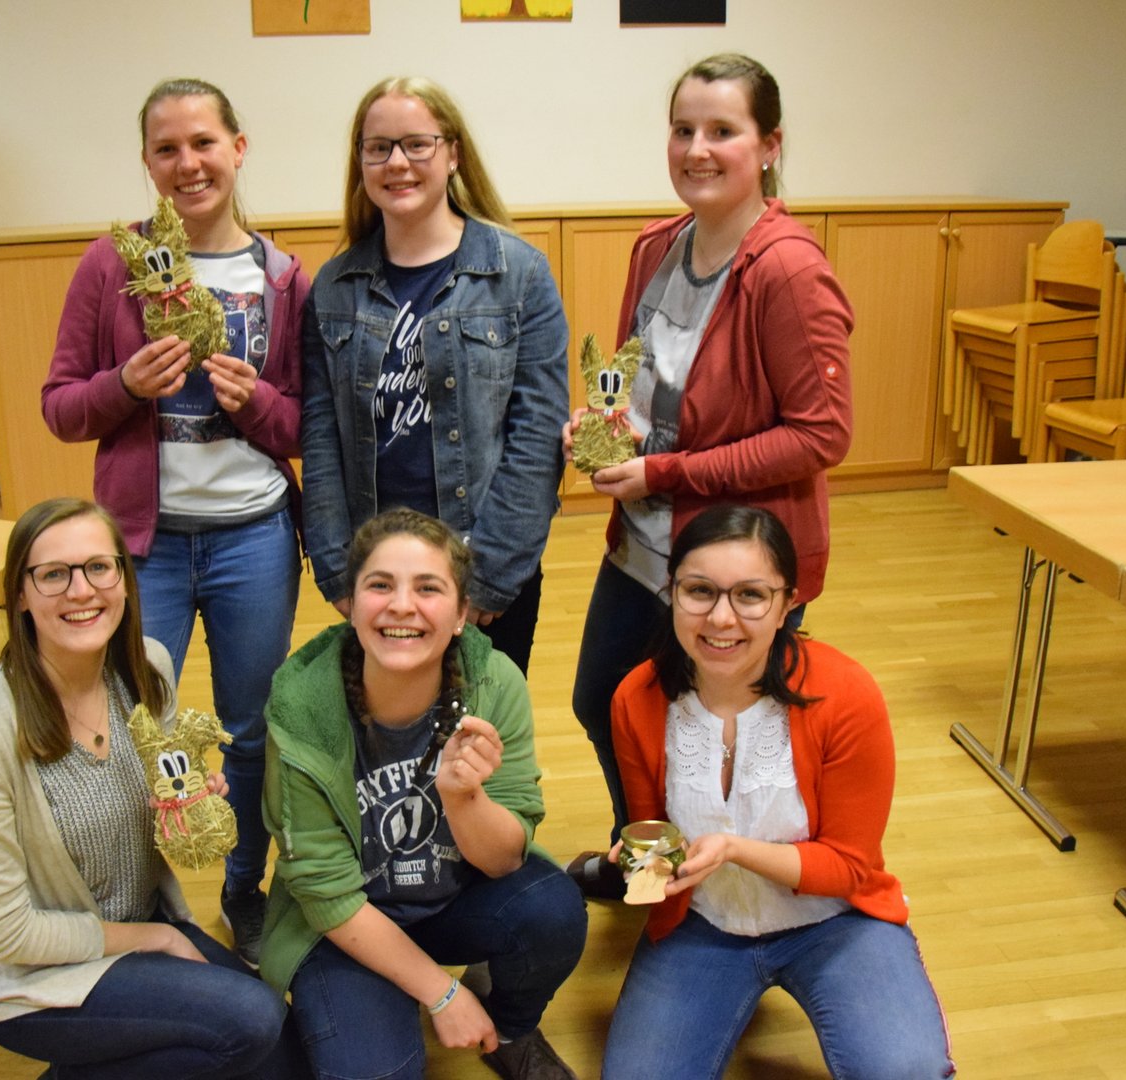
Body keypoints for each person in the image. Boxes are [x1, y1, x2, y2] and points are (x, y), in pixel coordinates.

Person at [566, 54, 854, 882]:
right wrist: (602, 428)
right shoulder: (657, 246)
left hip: (737, 562)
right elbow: (642, 386)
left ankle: (719, 886)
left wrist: (666, 474)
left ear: (769, 145)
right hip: (644, 547)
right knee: (606, 703)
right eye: (683, 129)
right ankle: (651, 862)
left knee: (715, 736)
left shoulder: (788, 270)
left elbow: (821, 434)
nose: (697, 148)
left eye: (722, 130)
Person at [41, 78, 309, 964]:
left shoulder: (282, 278)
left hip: (253, 540)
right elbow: (60, 406)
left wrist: (255, 401)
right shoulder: (110, 264)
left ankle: (244, 890)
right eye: (167, 149)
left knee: (250, 729)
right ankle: (144, 903)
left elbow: (304, 425)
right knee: (127, 730)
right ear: (147, 164)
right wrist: (125, 386)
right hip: (139, 550)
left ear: (239, 148)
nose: (188, 164)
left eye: (203, 143)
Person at [0, 498, 306, 1079]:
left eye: (99, 567)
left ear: (125, 581)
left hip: (139, 928)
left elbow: (152, 822)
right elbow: (7, 934)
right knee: (251, 1021)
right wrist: (156, 938)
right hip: (36, 973)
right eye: (54, 574)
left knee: (287, 1053)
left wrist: (189, 810)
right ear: (19, 594)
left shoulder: (147, 669)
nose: (81, 590)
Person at [598, 504, 953, 1079]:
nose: (721, 618)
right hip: (703, 925)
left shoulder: (846, 693)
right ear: (672, 591)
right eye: (699, 591)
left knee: (906, 1070)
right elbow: (653, 850)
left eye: (750, 596)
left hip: (836, 923)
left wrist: (733, 850)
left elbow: (850, 868)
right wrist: (642, 869)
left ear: (788, 602)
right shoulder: (635, 699)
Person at [260, 508, 586, 1080]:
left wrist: (464, 799)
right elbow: (327, 895)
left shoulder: (494, 683)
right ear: (350, 604)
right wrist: (441, 993)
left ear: (461, 615)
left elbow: (505, 860)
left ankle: (509, 1029)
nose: (402, 606)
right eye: (380, 585)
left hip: (450, 902)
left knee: (552, 910)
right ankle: (371, 1002)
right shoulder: (300, 708)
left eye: (428, 588)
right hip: (346, 924)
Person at [301, 76, 569, 676]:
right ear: (361, 162)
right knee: (388, 724)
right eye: (378, 148)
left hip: (484, 569)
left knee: (482, 725)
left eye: (417, 144)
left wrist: (490, 577)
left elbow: (536, 437)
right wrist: (340, 572)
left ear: (453, 154)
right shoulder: (334, 287)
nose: (397, 162)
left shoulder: (518, 275)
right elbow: (320, 440)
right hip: (378, 574)